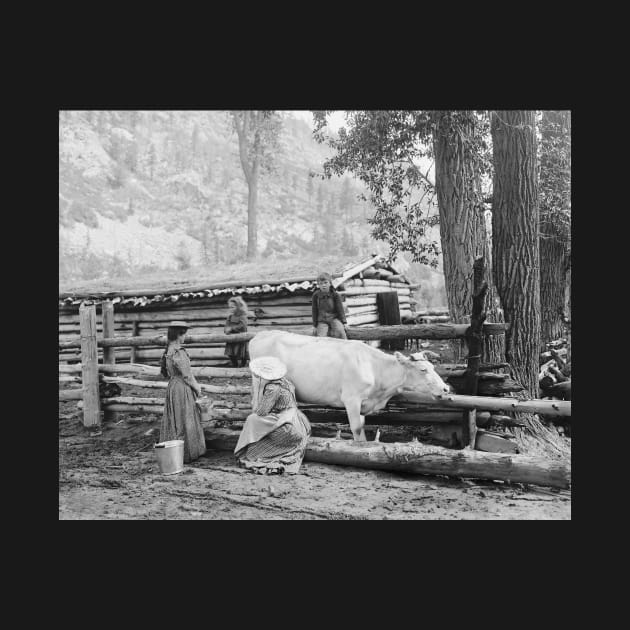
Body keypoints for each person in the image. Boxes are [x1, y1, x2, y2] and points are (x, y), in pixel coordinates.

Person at [234, 356, 311, 475]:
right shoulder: (286, 382)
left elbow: (261, 412)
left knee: (252, 425)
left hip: (288, 429)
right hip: (297, 422)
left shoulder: (272, 388)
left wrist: (258, 399)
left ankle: (262, 450)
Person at [159, 321, 207, 463]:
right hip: (182, 388)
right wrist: (197, 388)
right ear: (179, 335)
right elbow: (187, 375)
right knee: (185, 418)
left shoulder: (169, 349)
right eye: (185, 334)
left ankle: (174, 451)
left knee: (175, 418)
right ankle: (186, 452)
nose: (186, 337)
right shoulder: (179, 352)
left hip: (173, 386)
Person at [311, 271, 348, 339]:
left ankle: (345, 347)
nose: (323, 285)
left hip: (334, 318)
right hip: (322, 321)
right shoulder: (316, 295)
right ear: (318, 285)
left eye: (325, 283)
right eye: (321, 283)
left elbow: (340, 309)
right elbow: (314, 310)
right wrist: (314, 325)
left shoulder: (335, 295)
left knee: (340, 331)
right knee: (321, 337)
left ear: (330, 283)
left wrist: (344, 322)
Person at [224, 296, 250, 367]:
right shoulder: (230, 317)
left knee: (242, 353)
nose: (231, 309)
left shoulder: (242, 316)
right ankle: (235, 365)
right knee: (231, 353)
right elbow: (227, 325)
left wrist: (232, 329)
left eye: (233, 307)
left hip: (240, 337)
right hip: (231, 338)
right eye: (230, 307)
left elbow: (242, 326)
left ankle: (243, 365)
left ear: (238, 307)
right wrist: (226, 329)